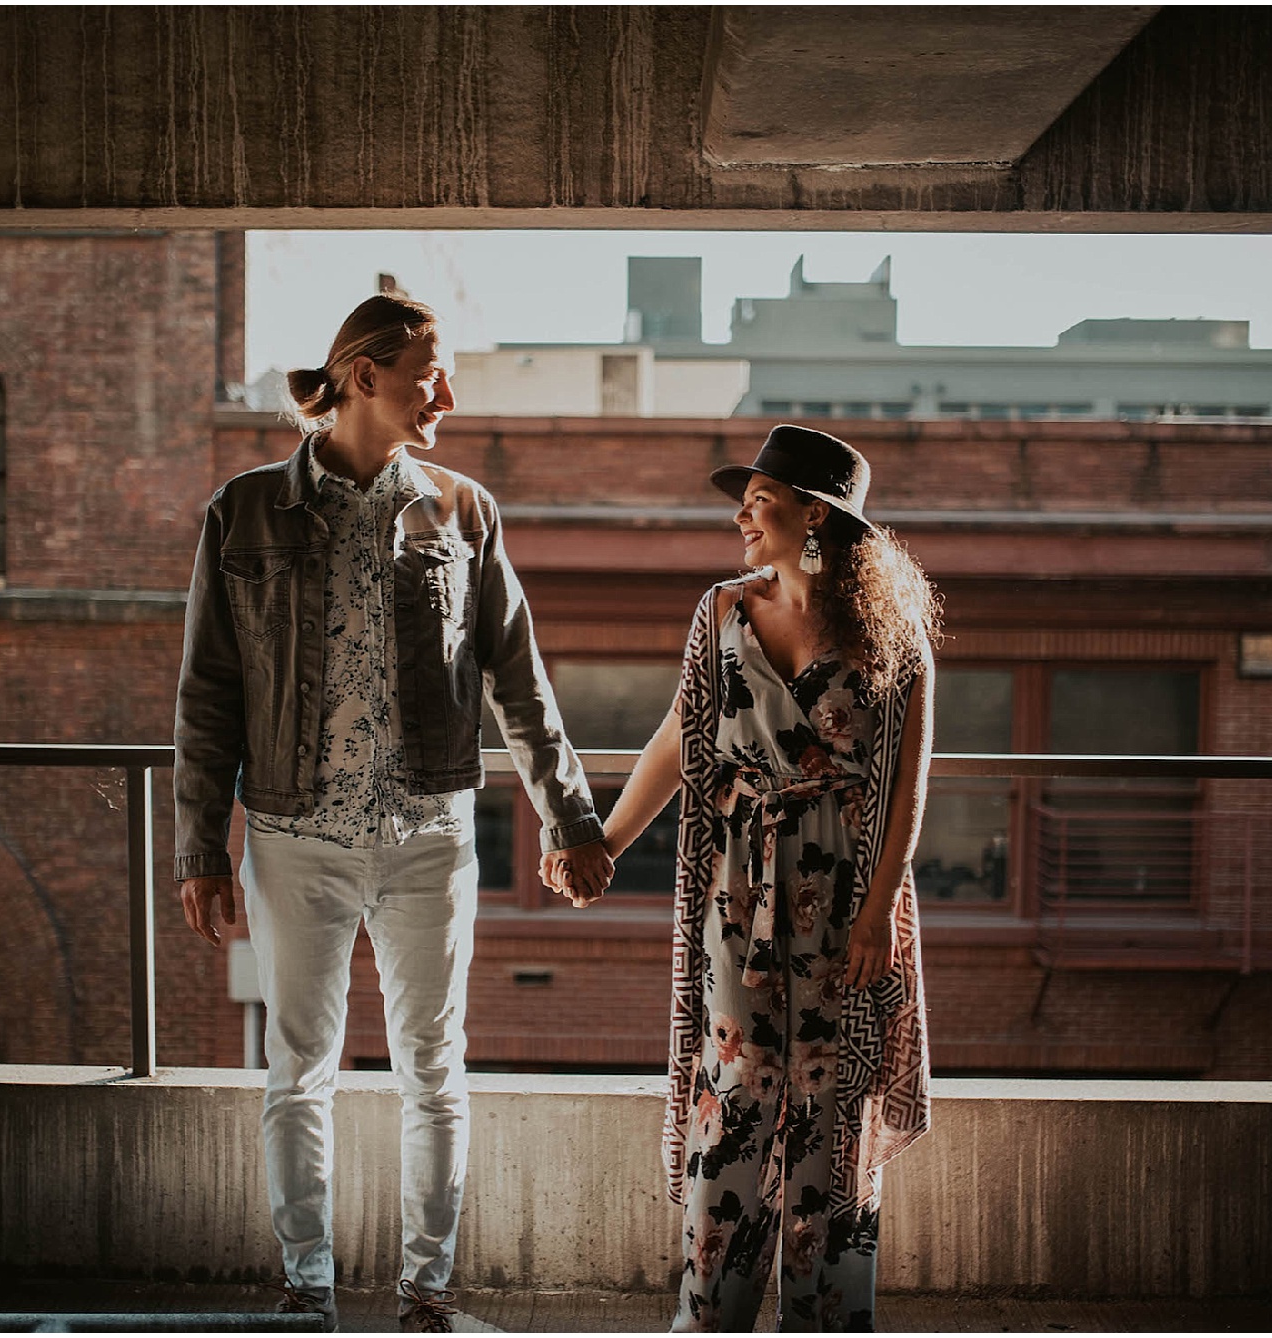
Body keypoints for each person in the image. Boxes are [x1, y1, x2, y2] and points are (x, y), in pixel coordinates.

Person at [174, 293, 615, 1333]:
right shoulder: (241, 514)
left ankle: (427, 1292)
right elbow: (207, 692)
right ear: (364, 376)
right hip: (291, 841)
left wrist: (571, 818)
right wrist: (199, 844)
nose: (446, 397)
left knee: (434, 1066)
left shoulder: (464, 512)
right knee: (298, 1072)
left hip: (430, 838)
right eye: (431, 374)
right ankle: (306, 1286)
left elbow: (519, 680)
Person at [575, 425, 938, 1331]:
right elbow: (680, 732)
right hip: (739, 890)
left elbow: (908, 780)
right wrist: (608, 839)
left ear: (815, 514)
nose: (741, 513)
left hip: (849, 893)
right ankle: (711, 1314)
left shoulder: (890, 633)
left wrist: (879, 907)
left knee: (830, 1103)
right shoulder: (721, 611)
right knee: (735, 1094)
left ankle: (820, 1319)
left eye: (761, 498)